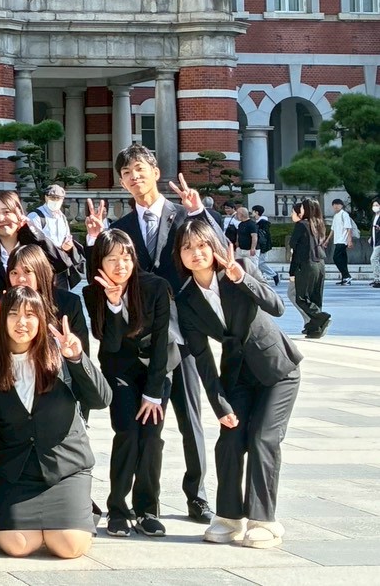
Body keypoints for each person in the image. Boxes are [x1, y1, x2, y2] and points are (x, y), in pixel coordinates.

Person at [85, 143, 223, 524]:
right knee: (147, 427)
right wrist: (94, 241)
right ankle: (145, 505)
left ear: (155, 172)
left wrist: (199, 212)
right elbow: (101, 277)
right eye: (127, 173)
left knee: (190, 418)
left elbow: (217, 251)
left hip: (186, 334)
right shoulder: (121, 229)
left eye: (140, 169)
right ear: (122, 182)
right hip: (142, 339)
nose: (134, 177)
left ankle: (197, 495)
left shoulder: (183, 214)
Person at [174, 220, 301, 549]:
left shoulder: (241, 267)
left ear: (214, 246)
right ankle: (228, 518)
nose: (196, 252)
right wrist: (220, 406)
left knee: (262, 439)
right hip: (238, 375)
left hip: (278, 370)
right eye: (187, 247)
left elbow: (277, 306)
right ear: (180, 255)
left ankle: (264, 521)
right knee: (229, 440)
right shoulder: (186, 300)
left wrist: (242, 279)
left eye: (202, 245)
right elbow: (202, 358)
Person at [0, 285, 112, 558]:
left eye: (30, 315)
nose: (21, 322)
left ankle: (79, 512)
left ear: (42, 319)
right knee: (17, 546)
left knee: (69, 547)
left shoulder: (61, 354)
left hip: (65, 467)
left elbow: (101, 399)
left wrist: (77, 358)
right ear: (1, 319)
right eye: (13, 314)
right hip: (15, 472)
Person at [84, 230, 175, 537]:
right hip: (119, 370)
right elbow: (109, 344)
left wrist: (153, 393)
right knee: (127, 432)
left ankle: (147, 509)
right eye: (111, 259)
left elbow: (162, 341)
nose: (120, 265)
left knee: (151, 437)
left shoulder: (155, 286)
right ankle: (118, 509)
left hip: (156, 371)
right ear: (100, 262)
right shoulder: (93, 292)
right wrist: (113, 305)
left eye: (126, 257)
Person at [26, 185, 82, 290]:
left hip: (61, 266)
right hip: (43, 265)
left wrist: (68, 246)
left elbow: (67, 237)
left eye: (58, 198)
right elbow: (33, 242)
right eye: (52, 198)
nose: (55, 201)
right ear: (46, 197)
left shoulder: (62, 217)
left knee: (62, 296)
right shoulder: (36, 216)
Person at [288, 199, 329, 339]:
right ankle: (315, 329)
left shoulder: (301, 225)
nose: (300, 211)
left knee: (302, 298)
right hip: (320, 263)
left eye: (302, 208)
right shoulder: (319, 224)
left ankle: (321, 317)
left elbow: (295, 247)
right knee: (315, 297)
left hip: (306, 264)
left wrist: (292, 272)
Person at [329, 199, 356, 286]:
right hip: (337, 240)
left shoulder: (344, 214)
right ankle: (345, 278)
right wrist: (327, 240)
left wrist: (349, 240)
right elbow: (332, 229)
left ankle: (347, 276)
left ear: (341, 205)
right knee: (343, 260)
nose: (336, 206)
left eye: (338, 204)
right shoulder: (335, 216)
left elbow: (349, 228)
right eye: (334, 205)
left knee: (336, 258)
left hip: (343, 240)